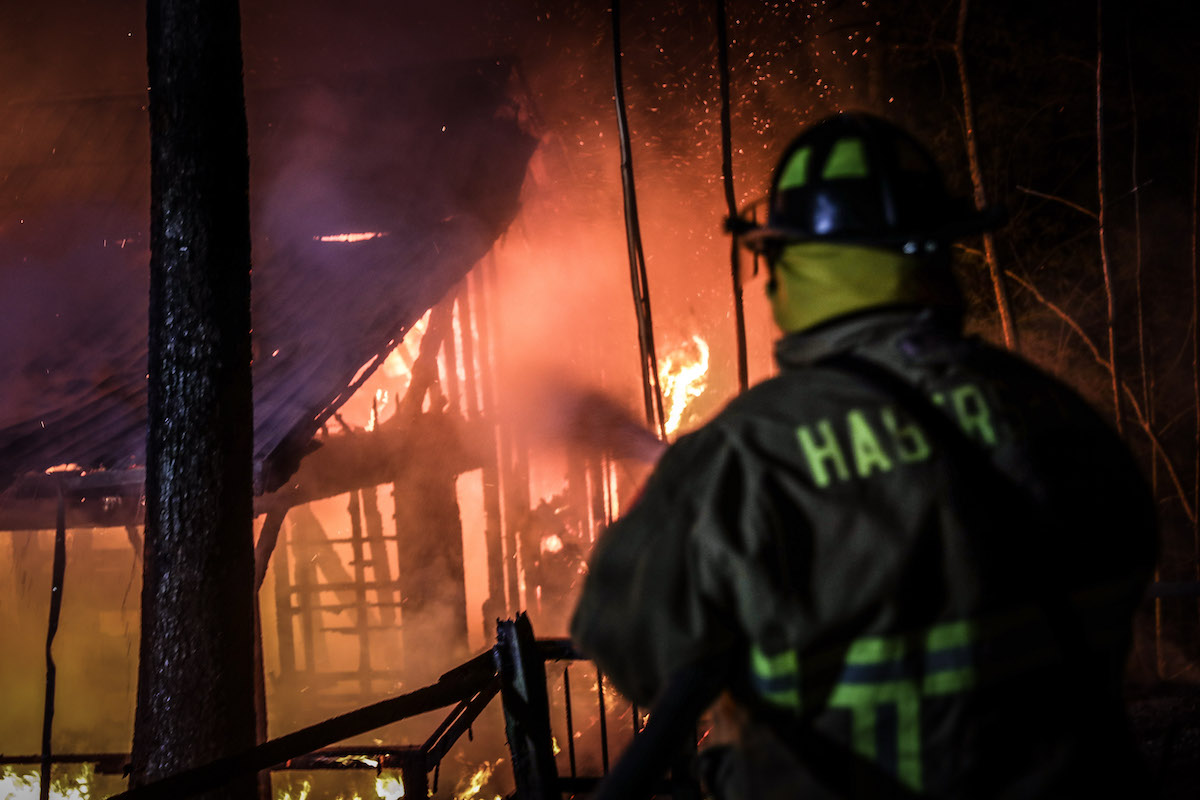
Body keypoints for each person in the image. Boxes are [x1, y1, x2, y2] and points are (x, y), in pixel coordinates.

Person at [570, 113, 1157, 799]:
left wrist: (673, 494)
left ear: (789, 264)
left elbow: (622, 639)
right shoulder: (1063, 416)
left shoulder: (746, 456)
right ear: (938, 251)